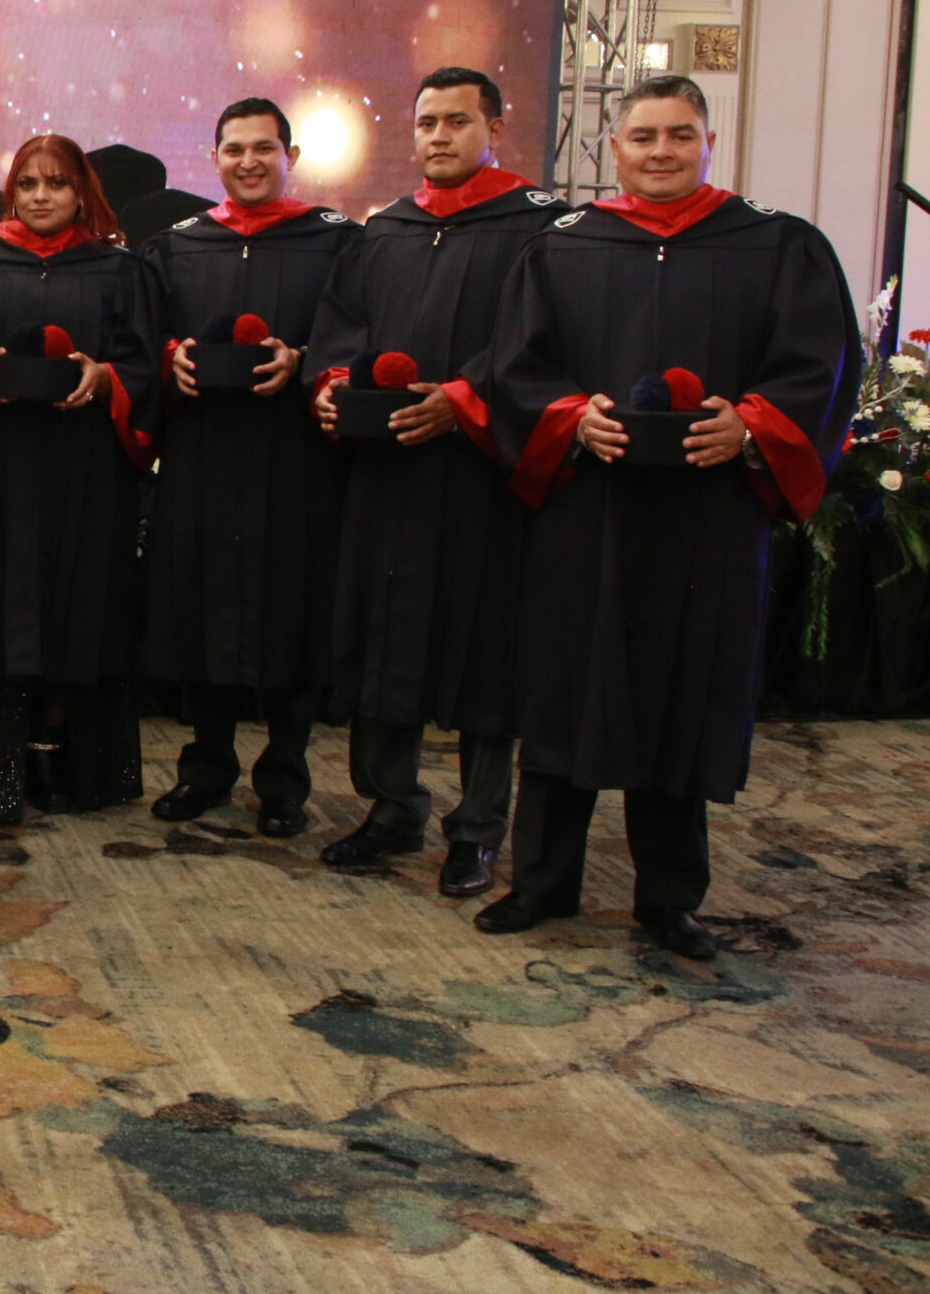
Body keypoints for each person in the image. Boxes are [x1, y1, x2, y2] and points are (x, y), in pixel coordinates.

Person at [479, 75, 858, 957]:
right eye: (644, 136)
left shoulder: (776, 244)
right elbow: (514, 366)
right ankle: (541, 882)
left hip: (706, 516)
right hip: (589, 510)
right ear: (614, 148)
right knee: (566, 690)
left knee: (682, 693)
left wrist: (751, 425)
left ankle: (669, 898)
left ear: (708, 142)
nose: (661, 151)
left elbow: (819, 365)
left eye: (680, 135)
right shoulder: (563, 245)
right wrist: (572, 417)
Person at [307, 67, 560, 896]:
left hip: (481, 479)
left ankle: (477, 830)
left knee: (484, 652)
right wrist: (334, 385)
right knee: (385, 638)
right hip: (388, 475)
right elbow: (340, 329)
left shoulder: (539, 229)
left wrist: (462, 400)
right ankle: (391, 808)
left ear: (495, 128)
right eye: (427, 123)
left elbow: (541, 344)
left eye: (457, 121)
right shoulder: (384, 230)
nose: (440, 136)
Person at [137, 98, 360, 836]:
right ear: (214, 159)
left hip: (294, 461)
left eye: (264, 148)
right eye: (234, 149)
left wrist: (305, 360)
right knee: (201, 607)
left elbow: (356, 335)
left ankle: (285, 780)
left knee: (294, 612)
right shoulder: (179, 247)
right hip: (204, 456)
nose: (249, 162)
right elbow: (143, 338)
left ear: (289, 156)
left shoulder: (335, 243)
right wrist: (172, 360)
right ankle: (205, 768)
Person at [0, 134, 160, 821]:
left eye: (56, 184)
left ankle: (62, 754)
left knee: (81, 606)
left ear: (82, 193)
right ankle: (6, 763)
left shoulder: (118, 267)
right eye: (27, 184)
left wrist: (104, 377)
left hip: (89, 466)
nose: (41, 196)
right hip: (8, 462)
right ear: (11, 192)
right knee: (11, 607)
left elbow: (143, 366)